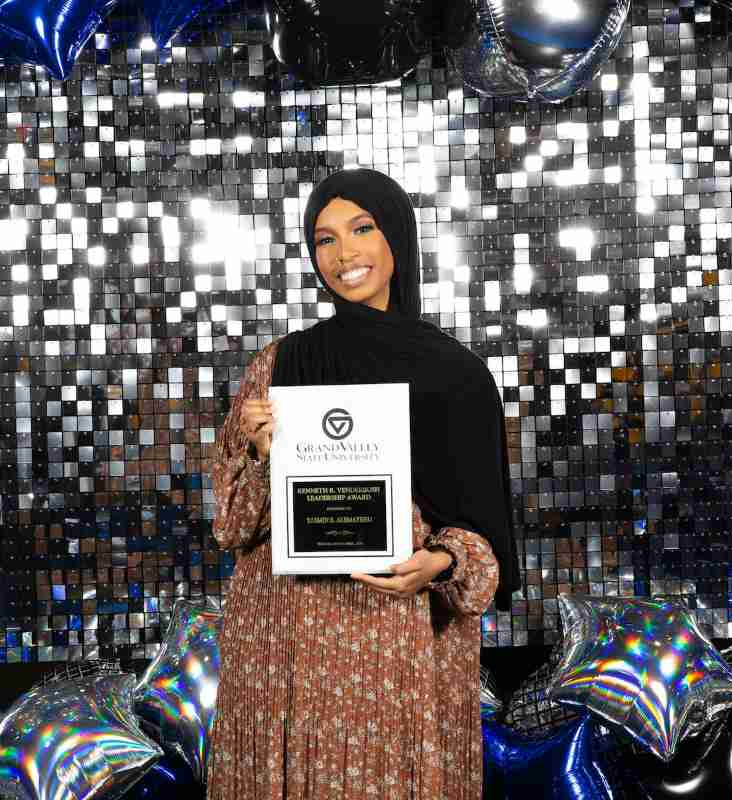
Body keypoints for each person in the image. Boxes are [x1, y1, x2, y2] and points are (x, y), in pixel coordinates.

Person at [206, 167, 520, 800]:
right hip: (281, 648)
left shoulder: (457, 376)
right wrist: (267, 455)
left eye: (362, 229)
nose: (344, 253)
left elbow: (486, 554)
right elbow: (230, 525)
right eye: (324, 239)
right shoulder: (282, 363)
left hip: (393, 650)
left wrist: (437, 560)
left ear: (396, 237)